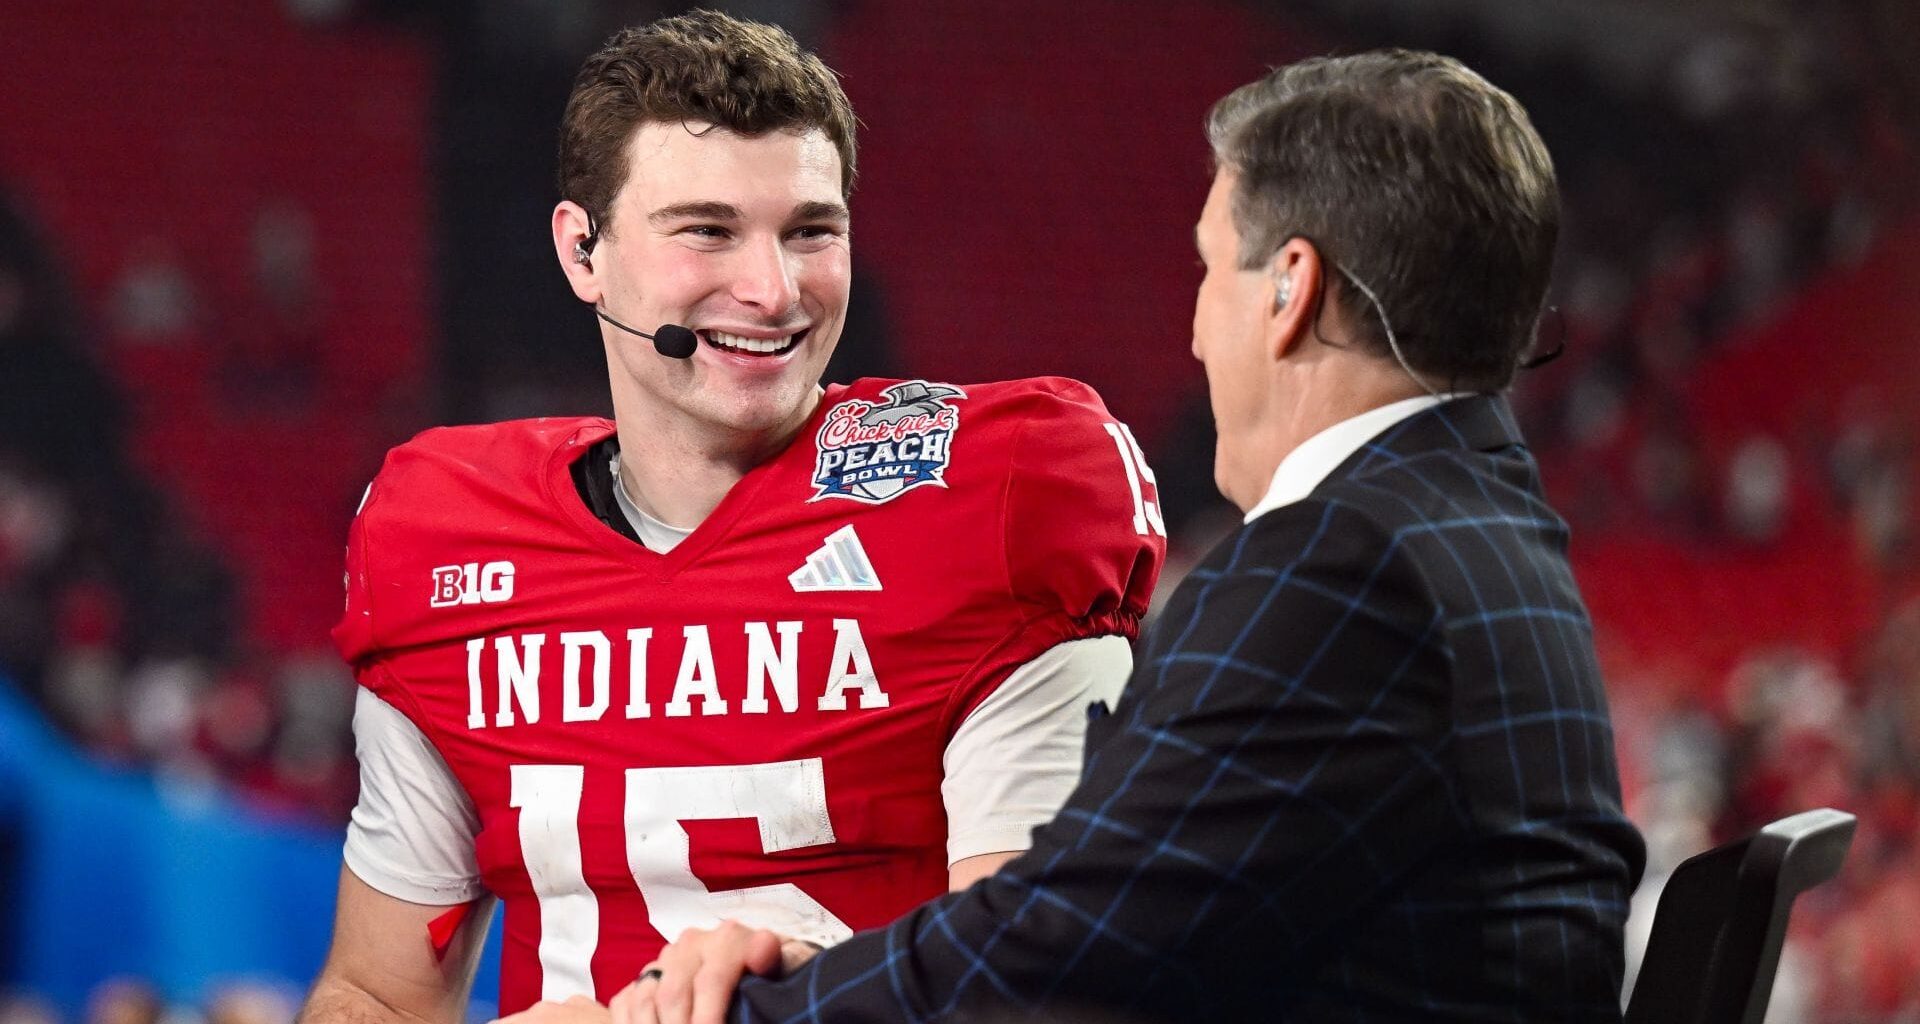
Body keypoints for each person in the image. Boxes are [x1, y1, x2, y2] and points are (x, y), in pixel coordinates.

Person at [611, 48, 1648, 1024]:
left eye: (1208, 271)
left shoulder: (1339, 568)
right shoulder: (1485, 519)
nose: (1196, 330)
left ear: (1291, 288)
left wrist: (756, 1008)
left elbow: (1062, 939)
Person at [298, 11, 1164, 1022]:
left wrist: (799, 997)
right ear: (584, 252)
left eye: (812, 230)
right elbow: (374, 993)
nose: (771, 289)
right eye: (706, 230)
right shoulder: (445, 537)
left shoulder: (998, 494)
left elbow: (1044, 990)